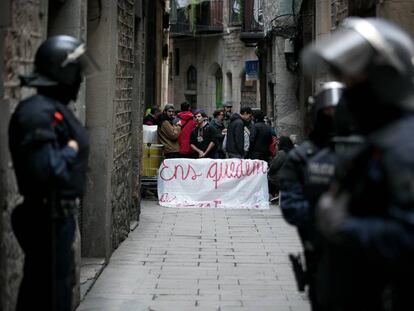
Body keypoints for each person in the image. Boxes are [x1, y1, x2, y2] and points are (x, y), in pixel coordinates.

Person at [302, 17, 414, 310]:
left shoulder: (405, 148)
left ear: (386, 79)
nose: (348, 92)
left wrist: (345, 227)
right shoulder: (378, 140)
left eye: (354, 81)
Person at [8, 35, 92, 311]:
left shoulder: (53, 110)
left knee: (54, 289)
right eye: (76, 72)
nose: (80, 79)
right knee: (46, 295)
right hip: (47, 217)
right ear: (63, 72)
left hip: (58, 218)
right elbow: (46, 169)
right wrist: (69, 149)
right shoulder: (37, 113)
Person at [277, 81, 344, 310]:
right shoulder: (302, 157)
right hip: (320, 248)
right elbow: (291, 204)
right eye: (329, 112)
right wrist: (324, 217)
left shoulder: (368, 150)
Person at [267, 136, 294, 203]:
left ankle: (275, 194)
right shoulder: (294, 152)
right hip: (292, 177)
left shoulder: (282, 153)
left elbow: (274, 166)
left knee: (267, 177)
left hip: (282, 178)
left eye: (279, 142)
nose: (277, 144)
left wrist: (268, 171)